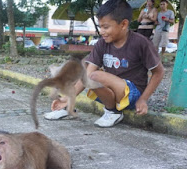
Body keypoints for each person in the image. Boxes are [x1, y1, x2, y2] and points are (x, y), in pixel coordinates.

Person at [44, 0, 164, 128]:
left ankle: (112, 111)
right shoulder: (102, 43)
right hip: (111, 92)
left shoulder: (140, 43)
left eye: (106, 27)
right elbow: (87, 74)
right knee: (84, 67)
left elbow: (159, 72)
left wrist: (143, 99)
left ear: (123, 24)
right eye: (100, 26)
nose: (101, 31)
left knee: (94, 76)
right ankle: (109, 111)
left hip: (133, 94)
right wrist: (67, 99)